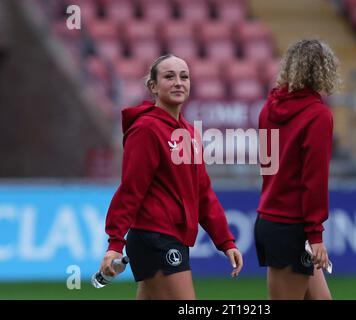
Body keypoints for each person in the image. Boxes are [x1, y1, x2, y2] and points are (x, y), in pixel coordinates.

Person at [98, 54, 243, 300]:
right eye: (169, 76)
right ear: (153, 87)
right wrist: (114, 244)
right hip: (155, 238)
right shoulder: (145, 130)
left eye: (184, 77)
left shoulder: (190, 133)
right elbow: (131, 190)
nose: (178, 82)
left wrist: (225, 241)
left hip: (171, 239)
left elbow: (203, 193)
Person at [255, 39, 341, 300]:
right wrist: (315, 236)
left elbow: (267, 165)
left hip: (273, 219)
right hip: (291, 227)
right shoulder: (318, 115)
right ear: (323, 70)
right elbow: (314, 180)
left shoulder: (268, 109)